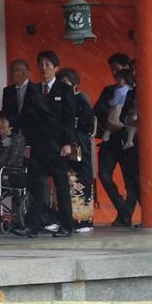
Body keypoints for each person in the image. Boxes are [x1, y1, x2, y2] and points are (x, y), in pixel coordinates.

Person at [13, 50, 76, 238]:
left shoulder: (64, 90)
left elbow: (69, 118)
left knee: (61, 186)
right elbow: (26, 118)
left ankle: (66, 226)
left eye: (48, 64)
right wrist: (28, 143)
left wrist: (67, 142)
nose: (44, 68)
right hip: (39, 145)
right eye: (41, 64)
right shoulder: (33, 90)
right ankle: (32, 226)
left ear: (56, 68)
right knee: (37, 186)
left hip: (58, 145)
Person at [95, 54, 133, 226]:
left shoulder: (136, 90)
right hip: (110, 137)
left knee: (131, 179)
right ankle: (122, 207)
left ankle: (125, 215)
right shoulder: (108, 90)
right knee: (103, 174)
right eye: (112, 70)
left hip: (128, 138)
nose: (113, 73)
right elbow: (97, 111)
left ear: (126, 68)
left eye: (116, 68)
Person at [59, 68, 95, 233]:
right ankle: (68, 217)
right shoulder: (59, 100)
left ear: (74, 83)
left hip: (80, 143)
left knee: (82, 179)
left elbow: (87, 122)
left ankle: (85, 220)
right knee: (66, 180)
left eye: (66, 82)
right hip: (64, 143)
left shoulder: (81, 99)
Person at [0, 59, 32, 136]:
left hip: (32, 135)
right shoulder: (7, 91)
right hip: (13, 135)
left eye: (13, 71)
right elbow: (5, 112)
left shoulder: (37, 89)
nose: (10, 74)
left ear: (23, 73)